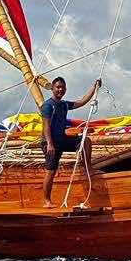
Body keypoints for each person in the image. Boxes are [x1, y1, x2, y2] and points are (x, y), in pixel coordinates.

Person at [40, 76, 100, 205]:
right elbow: (46, 127)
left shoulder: (64, 104)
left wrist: (94, 87)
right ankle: (47, 201)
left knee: (85, 141)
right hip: (50, 142)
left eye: (62, 87)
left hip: (61, 139)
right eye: (57, 87)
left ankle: (87, 167)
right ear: (52, 89)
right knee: (51, 171)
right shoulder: (47, 106)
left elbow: (82, 101)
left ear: (66, 89)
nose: (60, 89)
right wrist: (50, 144)